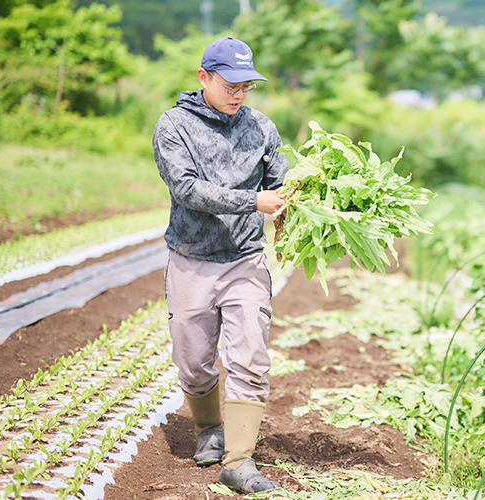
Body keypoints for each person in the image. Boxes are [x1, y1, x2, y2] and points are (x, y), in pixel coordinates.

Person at [152, 36, 287, 494]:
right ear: (203, 77)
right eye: (231, 84)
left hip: (245, 260)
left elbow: (280, 186)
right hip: (191, 259)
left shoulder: (263, 128)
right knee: (193, 363)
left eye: (247, 85)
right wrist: (254, 201)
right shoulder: (174, 126)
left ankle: (239, 460)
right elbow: (187, 189)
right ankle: (209, 429)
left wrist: (291, 215)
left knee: (249, 356)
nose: (239, 93)